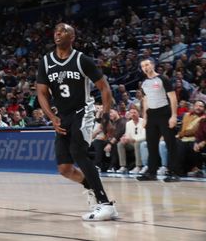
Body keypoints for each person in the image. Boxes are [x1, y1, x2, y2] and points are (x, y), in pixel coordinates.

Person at [36, 23, 118, 221]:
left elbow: (105, 88)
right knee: (64, 168)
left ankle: (106, 204)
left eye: (63, 31)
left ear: (72, 37)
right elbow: (41, 92)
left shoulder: (82, 60)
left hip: (83, 112)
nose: (58, 33)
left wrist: (105, 118)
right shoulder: (46, 62)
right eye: (56, 30)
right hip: (62, 117)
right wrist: (52, 117)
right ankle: (90, 184)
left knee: (79, 153)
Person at [137, 58, 179, 182]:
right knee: (151, 145)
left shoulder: (163, 79)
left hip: (164, 113)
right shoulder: (144, 82)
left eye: (147, 64)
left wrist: (174, 116)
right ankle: (152, 173)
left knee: (170, 143)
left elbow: (173, 98)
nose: (145, 67)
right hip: (151, 115)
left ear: (153, 65)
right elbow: (145, 100)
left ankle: (174, 172)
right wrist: (144, 117)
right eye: (143, 65)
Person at [172, 99, 205, 177]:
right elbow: (181, 127)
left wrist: (180, 134)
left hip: (198, 138)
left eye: (201, 106)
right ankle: (176, 169)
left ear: (204, 108)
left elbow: (194, 131)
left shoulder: (204, 118)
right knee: (176, 143)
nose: (198, 108)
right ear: (193, 107)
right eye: (197, 106)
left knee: (189, 144)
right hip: (184, 137)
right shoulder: (186, 115)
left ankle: (194, 168)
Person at [117, 107, 145, 174]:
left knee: (137, 143)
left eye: (134, 112)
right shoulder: (128, 123)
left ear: (139, 113)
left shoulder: (144, 121)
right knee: (120, 144)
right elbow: (127, 134)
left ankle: (138, 166)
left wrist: (134, 139)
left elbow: (144, 136)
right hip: (131, 142)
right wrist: (124, 138)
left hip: (141, 142)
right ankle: (123, 166)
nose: (133, 114)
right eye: (131, 113)